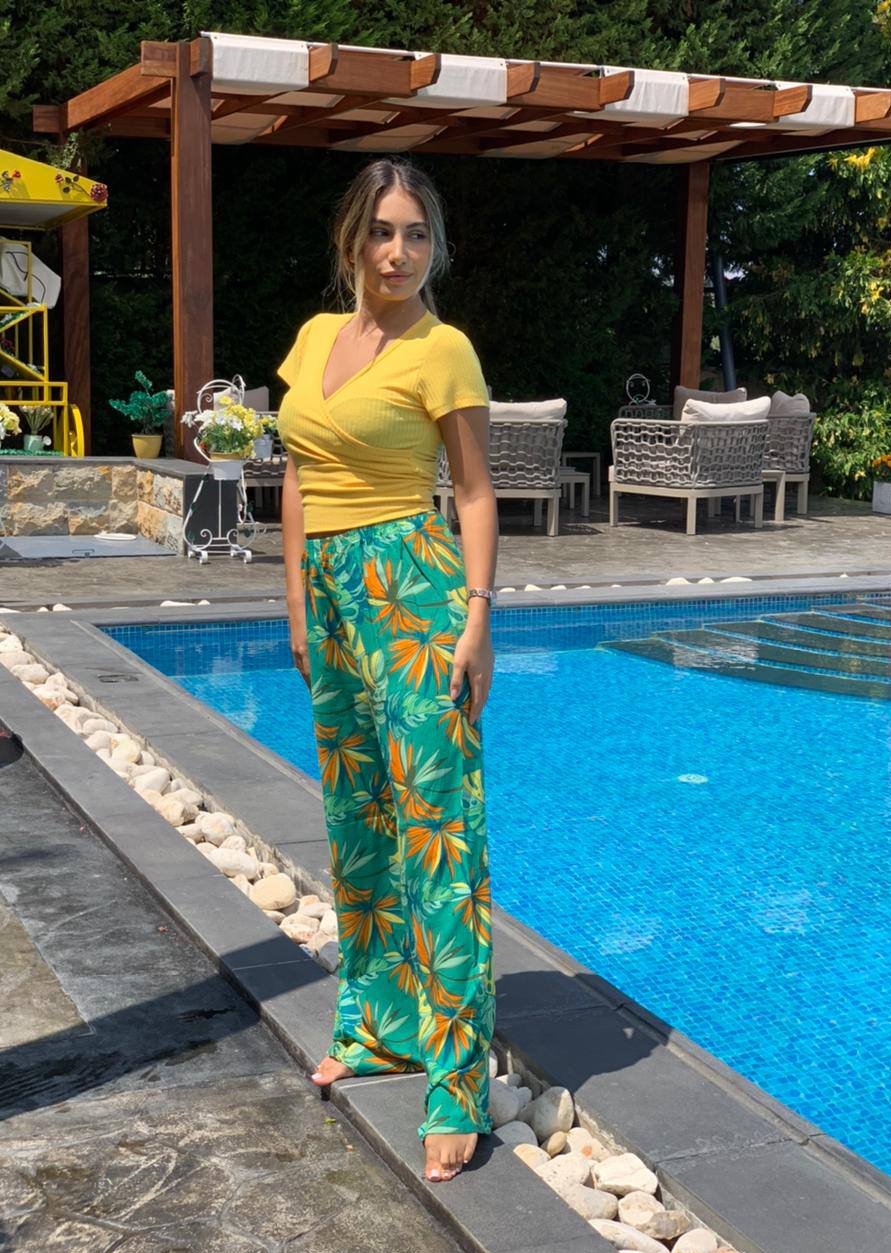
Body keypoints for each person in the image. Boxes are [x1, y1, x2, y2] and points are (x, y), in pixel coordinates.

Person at [276, 157, 499, 1184]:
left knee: (435, 829)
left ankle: (456, 1080)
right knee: (359, 820)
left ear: (433, 245)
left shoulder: (441, 348)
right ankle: (376, 1028)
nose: (398, 252)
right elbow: (298, 472)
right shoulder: (319, 338)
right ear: (351, 241)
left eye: (415, 234)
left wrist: (477, 620)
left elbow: (476, 491)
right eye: (381, 232)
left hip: (412, 589)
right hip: (328, 593)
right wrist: (294, 606)